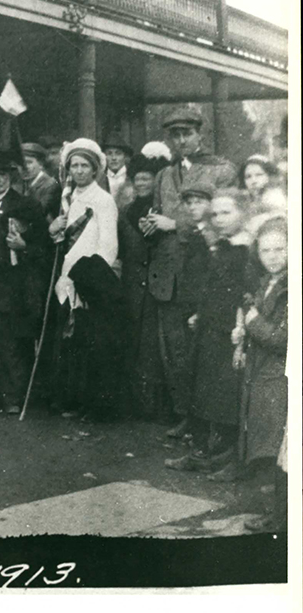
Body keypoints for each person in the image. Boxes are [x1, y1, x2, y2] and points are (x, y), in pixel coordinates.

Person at [145, 106, 237, 438]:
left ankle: (203, 422)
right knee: (174, 349)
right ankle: (184, 414)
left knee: (203, 348)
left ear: (200, 134)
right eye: (175, 135)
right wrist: (152, 225)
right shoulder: (163, 176)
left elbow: (225, 218)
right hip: (168, 273)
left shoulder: (221, 171)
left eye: (187, 133)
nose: (182, 140)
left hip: (204, 271)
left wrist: (176, 224)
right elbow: (158, 214)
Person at [165, 188, 251, 477]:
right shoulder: (221, 247)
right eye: (215, 214)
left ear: (243, 212)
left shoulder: (247, 250)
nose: (220, 219)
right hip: (209, 326)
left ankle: (225, 456)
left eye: (227, 212)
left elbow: (245, 293)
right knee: (200, 386)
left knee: (225, 394)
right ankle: (200, 450)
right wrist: (199, 313)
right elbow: (211, 286)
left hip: (231, 330)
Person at [0, 151, 51, 415]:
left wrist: (24, 246)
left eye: (2, 175)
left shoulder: (26, 206)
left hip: (16, 289)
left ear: (10, 178)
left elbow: (45, 248)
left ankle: (16, 396)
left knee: (15, 342)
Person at [47, 139, 122, 419]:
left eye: (84, 166)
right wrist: (54, 230)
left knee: (89, 341)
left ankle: (92, 404)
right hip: (68, 274)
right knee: (71, 340)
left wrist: (92, 280)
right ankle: (71, 399)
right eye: (73, 166)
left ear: (94, 170)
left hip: (90, 278)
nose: (78, 171)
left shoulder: (102, 200)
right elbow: (64, 238)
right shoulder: (69, 198)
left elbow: (109, 245)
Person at [232, 218, 288, 520]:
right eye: (266, 250)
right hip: (261, 371)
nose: (273, 256)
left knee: (276, 446)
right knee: (265, 441)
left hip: (278, 375)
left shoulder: (291, 286)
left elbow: (282, 339)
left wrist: (251, 321)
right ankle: (274, 508)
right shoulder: (266, 282)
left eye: (280, 249)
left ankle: (279, 514)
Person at [118, 142, 173, 419]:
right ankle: (137, 404)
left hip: (154, 285)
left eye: (146, 179)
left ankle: (158, 407)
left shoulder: (162, 210)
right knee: (134, 342)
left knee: (154, 346)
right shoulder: (127, 210)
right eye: (137, 179)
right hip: (132, 283)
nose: (141, 183)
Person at [240, 155, 287, 233]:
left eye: (259, 175)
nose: (253, 181)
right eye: (248, 177)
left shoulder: (274, 196)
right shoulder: (247, 197)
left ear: (269, 176)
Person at [22, 142, 62, 218]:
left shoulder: (50, 185)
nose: (25, 167)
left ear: (41, 165)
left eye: (29, 162)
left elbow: (39, 213)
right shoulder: (23, 184)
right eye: (22, 164)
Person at [102, 136, 134, 209]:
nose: (114, 158)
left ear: (125, 157)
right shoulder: (100, 179)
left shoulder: (132, 177)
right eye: (109, 154)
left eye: (118, 153)